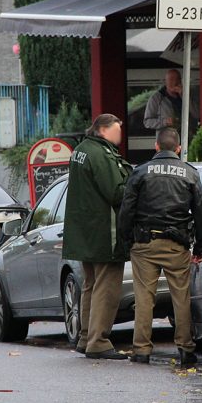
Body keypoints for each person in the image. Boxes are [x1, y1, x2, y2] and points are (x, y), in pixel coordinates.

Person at [119, 127, 202, 367]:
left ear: (156, 146)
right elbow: (201, 213)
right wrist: (201, 248)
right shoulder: (190, 173)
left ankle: (141, 350)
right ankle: (186, 349)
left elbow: (126, 210)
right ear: (178, 149)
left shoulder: (140, 172)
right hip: (177, 245)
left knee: (144, 298)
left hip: (145, 244)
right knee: (181, 297)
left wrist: (127, 241)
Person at [62, 113, 132, 360]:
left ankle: (85, 337)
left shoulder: (81, 150)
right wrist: (135, 183)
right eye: (117, 129)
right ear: (103, 130)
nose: (120, 134)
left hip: (85, 233)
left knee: (90, 285)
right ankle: (99, 341)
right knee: (107, 287)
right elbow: (115, 192)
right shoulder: (101, 154)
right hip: (105, 232)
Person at [143, 69, 199, 134]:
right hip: (167, 140)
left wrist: (184, 95)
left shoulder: (188, 94)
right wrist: (165, 122)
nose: (174, 82)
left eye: (177, 79)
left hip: (187, 137)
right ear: (166, 82)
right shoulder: (156, 98)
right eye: (171, 79)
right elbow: (147, 122)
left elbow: (197, 114)